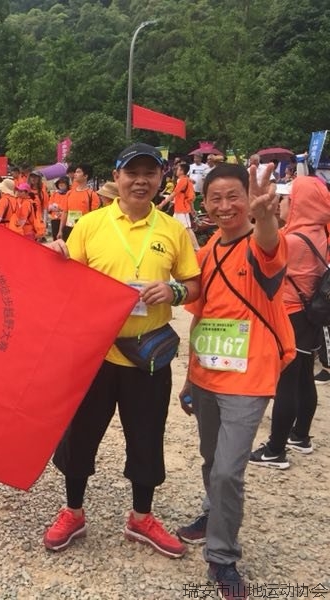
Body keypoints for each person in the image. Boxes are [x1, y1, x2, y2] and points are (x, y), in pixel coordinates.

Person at [42, 143, 201, 559]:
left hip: (147, 356)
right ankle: (73, 511)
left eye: (150, 173)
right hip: (94, 354)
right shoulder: (91, 224)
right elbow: (64, 278)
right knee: (80, 436)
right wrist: (56, 255)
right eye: (132, 173)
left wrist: (174, 290)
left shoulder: (172, 230)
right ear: (117, 177)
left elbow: (194, 284)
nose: (141, 181)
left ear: (161, 179)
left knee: (146, 437)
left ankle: (141, 517)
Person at [175, 163, 295, 600]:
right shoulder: (207, 252)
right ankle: (212, 515)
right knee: (212, 459)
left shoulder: (263, 243)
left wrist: (265, 217)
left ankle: (222, 556)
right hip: (207, 375)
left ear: (248, 198)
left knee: (228, 470)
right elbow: (201, 315)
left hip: (250, 377)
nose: (224, 206)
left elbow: (269, 245)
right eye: (215, 198)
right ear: (204, 204)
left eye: (234, 197)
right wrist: (189, 377)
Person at [248, 174, 330, 468]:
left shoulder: (292, 240)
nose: (281, 203)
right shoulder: (318, 232)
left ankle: (275, 449)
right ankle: (301, 436)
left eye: (286, 199)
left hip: (290, 314)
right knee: (305, 375)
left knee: (286, 382)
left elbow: (254, 256)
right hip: (309, 315)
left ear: (299, 204)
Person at [158, 163, 200, 251]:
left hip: (182, 209)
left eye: (178, 169)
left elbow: (174, 194)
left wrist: (162, 204)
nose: (176, 171)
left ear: (181, 171)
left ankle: (197, 248)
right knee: (173, 226)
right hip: (179, 208)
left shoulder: (183, 181)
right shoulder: (185, 180)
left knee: (187, 229)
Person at [57, 164, 99, 241]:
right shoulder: (69, 193)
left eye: (78, 172)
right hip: (69, 229)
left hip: (84, 230)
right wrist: (60, 230)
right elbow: (65, 212)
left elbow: (95, 216)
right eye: (75, 172)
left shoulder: (92, 195)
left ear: (85, 176)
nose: (75, 174)